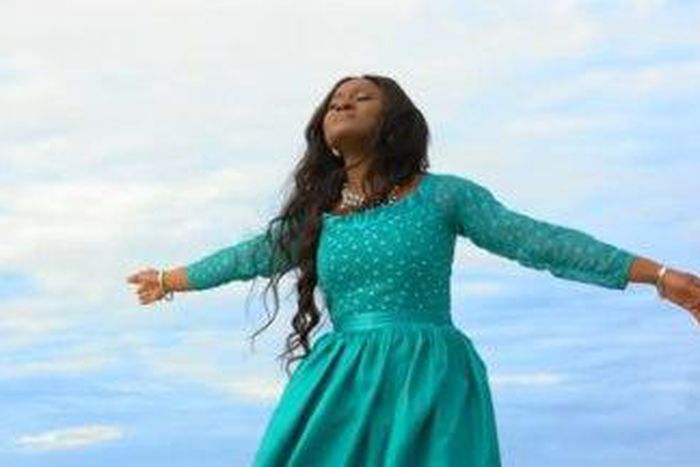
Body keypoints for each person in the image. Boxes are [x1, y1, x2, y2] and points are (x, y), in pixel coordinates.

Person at [126, 74, 700, 466]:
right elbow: (248, 256)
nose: (342, 104)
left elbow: (538, 241)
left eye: (362, 98)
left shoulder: (444, 195)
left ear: (395, 122)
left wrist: (658, 275)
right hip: (338, 379)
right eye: (334, 101)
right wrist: (169, 280)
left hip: (429, 374)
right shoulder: (317, 217)